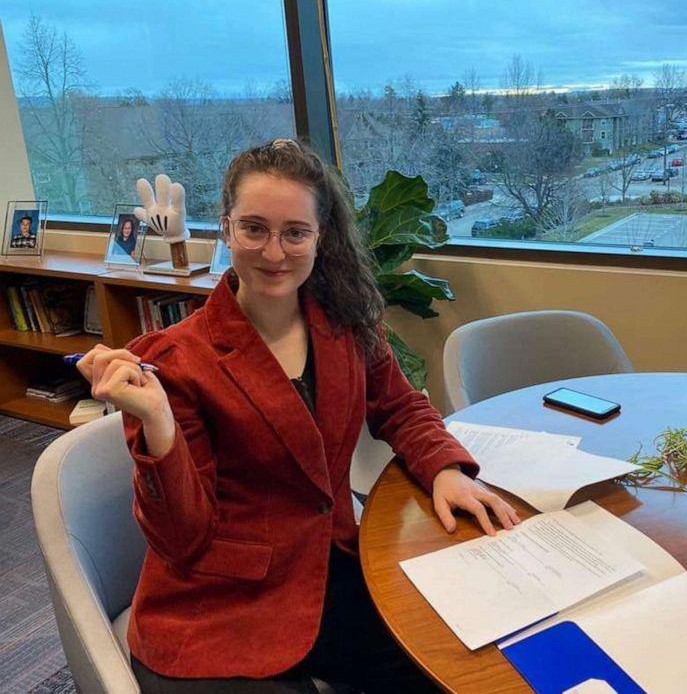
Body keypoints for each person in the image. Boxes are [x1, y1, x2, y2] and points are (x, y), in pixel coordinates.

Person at [76, 139, 520, 693]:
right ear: (226, 228)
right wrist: (159, 427)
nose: (274, 252)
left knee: (465, 670)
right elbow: (182, 540)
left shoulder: (349, 322)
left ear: (320, 236)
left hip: (328, 570)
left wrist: (445, 469)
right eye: (254, 228)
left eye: (295, 232)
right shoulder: (175, 361)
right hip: (220, 604)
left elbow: (401, 406)